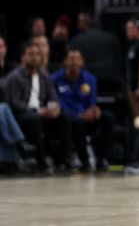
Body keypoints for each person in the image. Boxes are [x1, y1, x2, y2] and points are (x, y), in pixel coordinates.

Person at [5, 40, 71, 171]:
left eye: (37, 54)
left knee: (64, 117)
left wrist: (55, 108)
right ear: (23, 57)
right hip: (22, 115)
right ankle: (41, 161)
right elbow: (15, 103)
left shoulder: (44, 76)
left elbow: (52, 97)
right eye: (31, 54)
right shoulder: (15, 77)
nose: (35, 57)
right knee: (34, 119)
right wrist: (38, 111)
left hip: (42, 113)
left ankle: (64, 159)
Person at [52, 48, 112, 171]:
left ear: (82, 62)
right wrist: (79, 114)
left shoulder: (90, 79)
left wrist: (93, 110)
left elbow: (92, 101)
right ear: (65, 62)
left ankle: (101, 159)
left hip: (86, 115)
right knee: (73, 121)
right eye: (71, 58)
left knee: (107, 117)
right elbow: (57, 102)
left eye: (77, 58)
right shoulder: (55, 79)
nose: (74, 62)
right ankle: (84, 160)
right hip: (68, 117)